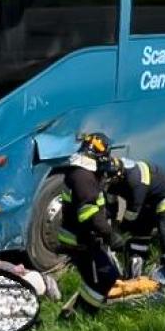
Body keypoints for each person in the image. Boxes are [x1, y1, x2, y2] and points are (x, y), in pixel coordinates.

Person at [56, 132, 122, 314]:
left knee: (102, 278)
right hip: (81, 241)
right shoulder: (83, 178)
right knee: (103, 281)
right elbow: (90, 215)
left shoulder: (81, 174)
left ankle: (76, 311)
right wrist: (111, 236)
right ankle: (77, 316)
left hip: (84, 238)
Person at [106, 156, 165, 281]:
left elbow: (132, 213)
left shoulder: (135, 181)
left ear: (119, 175)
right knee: (138, 236)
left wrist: (120, 230)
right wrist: (110, 224)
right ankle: (135, 273)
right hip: (146, 201)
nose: (107, 182)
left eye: (110, 180)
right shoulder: (112, 178)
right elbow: (111, 204)